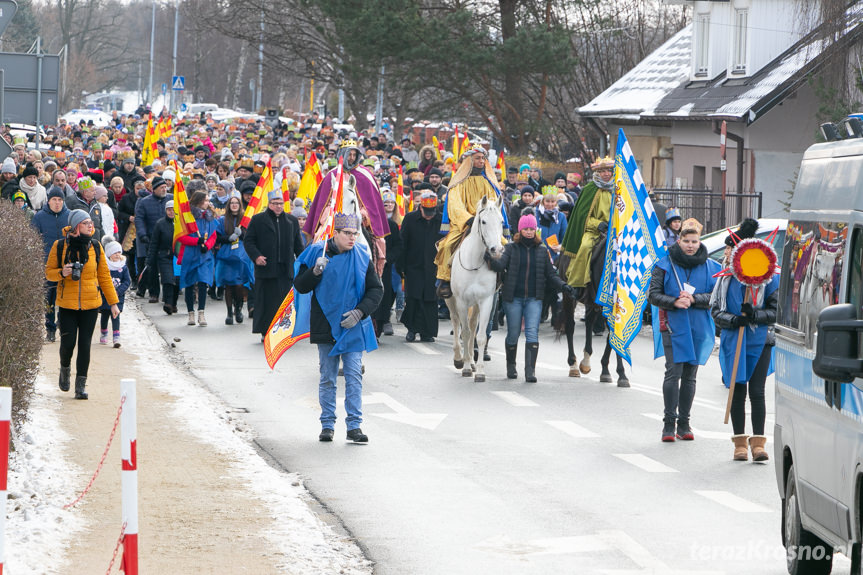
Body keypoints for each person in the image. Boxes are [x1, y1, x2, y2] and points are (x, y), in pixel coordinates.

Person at [294, 213, 383, 443]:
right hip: (325, 323)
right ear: (335, 234)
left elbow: (376, 290)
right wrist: (314, 272)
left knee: (354, 375)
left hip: (352, 325)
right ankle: (327, 425)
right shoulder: (317, 252)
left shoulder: (363, 256)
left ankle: (354, 426)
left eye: (355, 233)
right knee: (327, 377)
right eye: (348, 234)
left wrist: (360, 311)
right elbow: (300, 286)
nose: (353, 238)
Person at [711, 219, 778, 462]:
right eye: (727, 249)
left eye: (731, 249)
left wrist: (755, 315)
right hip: (733, 339)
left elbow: (776, 312)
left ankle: (758, 443)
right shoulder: (725, 279)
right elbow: (715, 311)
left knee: (757, 392)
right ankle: (739, 442)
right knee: (738, 391)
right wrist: (734, 320)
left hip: (762, 340)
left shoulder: (769, 279)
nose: (727, 253)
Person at [648, 218, 720, 442]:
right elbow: (653, 295)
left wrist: (695, 298)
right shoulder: (664, 264)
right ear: (679, 241)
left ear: (700, 242)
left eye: (694, 241)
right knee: (673, 372)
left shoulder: (712, 267)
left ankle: (685, 423)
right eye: (686, 241)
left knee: (690, 376)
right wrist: (673, 302)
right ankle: (668, 425)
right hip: (673, 324)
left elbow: (716, 297)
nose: (690, 245)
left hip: (698, 325)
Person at [487, 214, 575, 382]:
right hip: (513, 298)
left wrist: (564, 285)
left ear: (536, 231)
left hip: (534, 298)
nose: (529, 232)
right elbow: (500, 266)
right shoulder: (511, 248)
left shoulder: (542, 250)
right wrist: (490, 259)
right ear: (520, 230)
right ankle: (511, 365)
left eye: (531, 229)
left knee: (532, 333)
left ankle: (530, 371)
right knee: (513, 333)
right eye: (526, 229)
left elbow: (551, 274)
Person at [45, 209, 120, 400]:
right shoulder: (60, 245)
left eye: (91, 222)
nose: (90, 225)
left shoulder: (95, 246)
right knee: (68, 344)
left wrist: (113, 303)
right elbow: (48, 273)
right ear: (76, 226)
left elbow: (104, 276)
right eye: (86, 223)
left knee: (85, 345)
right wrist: (63, 272)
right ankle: (64, 368)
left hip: (90, 304)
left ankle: (80, 386)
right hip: (67, 304)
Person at [434, 144, 503, 298]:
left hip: (486, 223)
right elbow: (455, 204)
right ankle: (445, 280)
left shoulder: (488, 183)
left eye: (483, 158)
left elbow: (493, 203)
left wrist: (484, 217)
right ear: (469, 161)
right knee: (447, 245)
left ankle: (504, 277)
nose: (481, 161)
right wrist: (468, 219)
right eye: (477, 158)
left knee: (505, 245)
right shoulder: (458, 183)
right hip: (466, 223)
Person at [243, 190, 304, 340]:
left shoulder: (291, 221)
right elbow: (248, 241)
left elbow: (298, 245)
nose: (278, 206)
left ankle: (283, 332)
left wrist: (303, 261)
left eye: (280, 203)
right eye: (275, 203)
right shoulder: (258, 220)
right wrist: (256, 256)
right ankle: (266, 331)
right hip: (266, 269)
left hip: (285, 269)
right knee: (267, 302)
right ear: (269, 204)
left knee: (284, 302)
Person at [561, 156, 615, 295]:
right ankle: (577, 284)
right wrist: (599, 224)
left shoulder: (619, 189)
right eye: (602, 171)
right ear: (597, 173)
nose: (606, 174)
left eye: (609, 170)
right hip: (595, 230)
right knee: (585, 247)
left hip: (616, 230)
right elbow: (582, 216)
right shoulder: (590, 189)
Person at [399, 192, 444, 342]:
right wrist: (401, 266)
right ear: (420, 207)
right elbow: (402, 243)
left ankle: (427, 332)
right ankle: (412, 329)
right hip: (414, 265)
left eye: (432, 212)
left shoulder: (442, 219)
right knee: (413, 298)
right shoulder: (410, 219)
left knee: (430, 300)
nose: (429, 215)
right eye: (426, 212)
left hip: (434, 267)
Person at [31, 187, 70, 341]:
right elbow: (34, 239)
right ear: (49, 201)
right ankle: (50, 329)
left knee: (65, 296)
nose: (57, 203)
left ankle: (63, 323)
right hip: (48, 264)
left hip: (66, 263)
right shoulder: (40, 217)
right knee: (49, 298)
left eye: (60, 200)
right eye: (54, 199)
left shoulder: (69, 215)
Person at [176, 190, 218, 326]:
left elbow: (213, 235)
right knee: (189, 284)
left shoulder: (209, 217)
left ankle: (201, 313)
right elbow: (181, 237)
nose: (208, 203)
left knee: (202, 282)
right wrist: (196, 241)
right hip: (190, 254)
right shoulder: (188, 217)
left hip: (205, 255)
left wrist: (208, 245)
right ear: (199, 201)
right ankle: (190, 313)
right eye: (205, 200)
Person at [215, 194, 254, 325]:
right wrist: (228, 238)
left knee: (239, 285)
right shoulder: (222, 220)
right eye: (232, 203)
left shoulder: (245, 220)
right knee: (228, 286)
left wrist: (241, 233)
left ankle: (238, 308)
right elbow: (217, 237)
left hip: (241, 257)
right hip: (227, 256)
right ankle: (229, 312)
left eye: (236, 203)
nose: (234, 205)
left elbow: (251, 237)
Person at [134, 175, 173, 302]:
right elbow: (139, 219)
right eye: (161, 187)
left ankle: (170, 293)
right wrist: (142, 235)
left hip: (169, 238)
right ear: (154, 189)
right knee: (152, 266)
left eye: (165, 187)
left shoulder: (171, 199)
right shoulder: (144, 202)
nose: (164, 190)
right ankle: (154, 293)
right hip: (151, 238)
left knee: (168, 266)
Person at [373, 192, 403, 338]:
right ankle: (374, 327)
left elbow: (398, 245)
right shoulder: (370, 224)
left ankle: (384, 321)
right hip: (371, 266)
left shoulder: (391, 225)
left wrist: (387, 258)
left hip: (387, 267)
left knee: (387, 294)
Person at [147, 200, 179, 315]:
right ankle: (168, 303)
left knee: (176, 281)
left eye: (173, 210)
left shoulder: (180, 223)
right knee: (167, 279)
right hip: (164, 255)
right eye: (169, 210)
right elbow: (154, 242)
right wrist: (150, 258)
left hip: (178, 256)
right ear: (166, 211)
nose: (171, 212)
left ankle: (174, 303)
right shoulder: (160, 224)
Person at [99, 238, 130, 348]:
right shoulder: (105, 266)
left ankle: (116, 336)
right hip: (105, 296)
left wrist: (118, 291)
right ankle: (104, 332)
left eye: (118, 252)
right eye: (114, 253)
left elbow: (127, 281)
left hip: (118, 296)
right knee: (105, 314)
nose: (117, 255)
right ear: (108, 254)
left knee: (116, 315)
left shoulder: (123, 266)